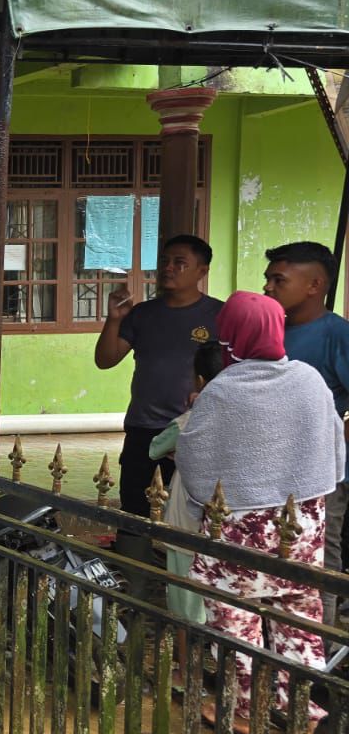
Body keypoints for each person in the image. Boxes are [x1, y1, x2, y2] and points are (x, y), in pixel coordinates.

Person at [178, 293, 337, 734]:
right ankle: (307, 718)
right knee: (300, 623)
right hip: (301, 528)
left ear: (233, 332)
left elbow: (195, 458)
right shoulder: (310, 380)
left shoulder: (225, 387)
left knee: (235, 623)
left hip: (241, 532)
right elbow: (335, 451)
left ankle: (246, 712)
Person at [93, 234, 222, 589]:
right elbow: (105, 360)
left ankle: (192, 589)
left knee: (199, 513)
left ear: (202, 270)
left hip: (198, 431)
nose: (168, 268)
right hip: (144, 428)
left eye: (180, 262)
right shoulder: (142, 314)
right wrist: (114, 319)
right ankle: (134, 589)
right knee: (134, 511)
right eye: (165, 260)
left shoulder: (219, 315)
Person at [263, 240, 349, 629]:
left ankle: (318, 648)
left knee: (317, 558)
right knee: (265, 552)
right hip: (265, 468)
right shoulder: (267, 331)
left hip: (320, 475)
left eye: (279, 280)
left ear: (314, 285)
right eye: (268, 279)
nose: (267, 287)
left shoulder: (337, 336)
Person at [148, 341, 224, 627]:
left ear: (200, 381)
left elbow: (155, 448)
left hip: (187, 516)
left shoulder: (188, 420)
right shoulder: (243, 419)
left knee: (184, 600)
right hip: (224, 516)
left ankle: (183, 661)